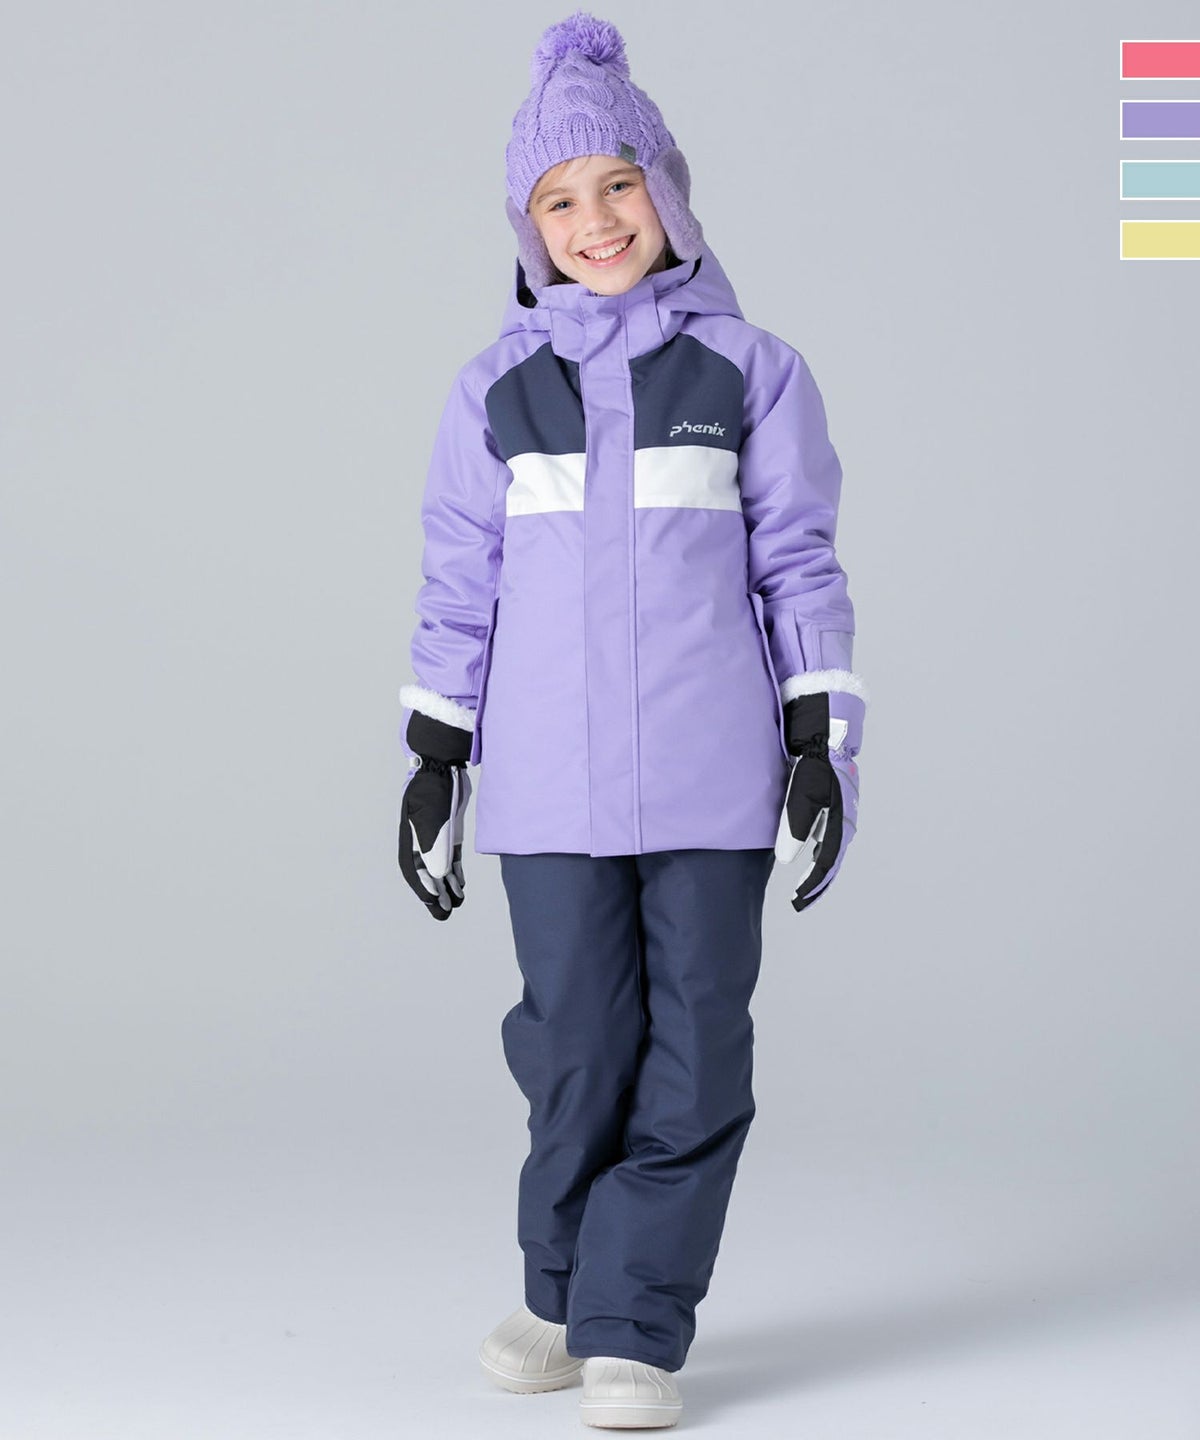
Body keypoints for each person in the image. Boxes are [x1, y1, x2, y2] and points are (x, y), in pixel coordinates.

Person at [396, 10, 868, 1429]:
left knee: (699, 1047)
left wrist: (821, 750)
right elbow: (458, 586)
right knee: (576, 1043)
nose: (596, 221)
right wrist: (435, 761)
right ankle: (562, 1291)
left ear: (668, 191)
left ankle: (632, 1322)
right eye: (559, 200)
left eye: (618, 184)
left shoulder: (752, 373)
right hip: (549, 789)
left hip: (713, 782)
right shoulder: (495, 392)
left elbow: (799, 567)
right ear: (528, 229)